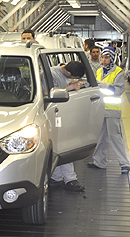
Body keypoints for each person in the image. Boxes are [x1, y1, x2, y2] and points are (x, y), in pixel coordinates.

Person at [87, 47, 130, 173]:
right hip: (100, 109)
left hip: (112, 110)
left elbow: (119, 90)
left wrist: (108, 86)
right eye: (102, 57)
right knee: (101, 136)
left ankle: (124, 163)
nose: (104, 60)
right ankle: (99, 161)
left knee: (115, 137)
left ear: (112, 58)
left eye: (106, 57)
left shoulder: (118, 72)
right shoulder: (99, 71)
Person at [49, 61, 86, 192]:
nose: (74, 79)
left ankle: (57, 177)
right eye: (74, 77)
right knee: (63, 146)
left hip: (64, 115)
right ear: (69, 73)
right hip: (54, 116)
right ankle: (70, 179)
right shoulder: (52, 74)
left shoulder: (66, 74)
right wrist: (70, 87)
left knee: (60, 146)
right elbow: (48, 94)